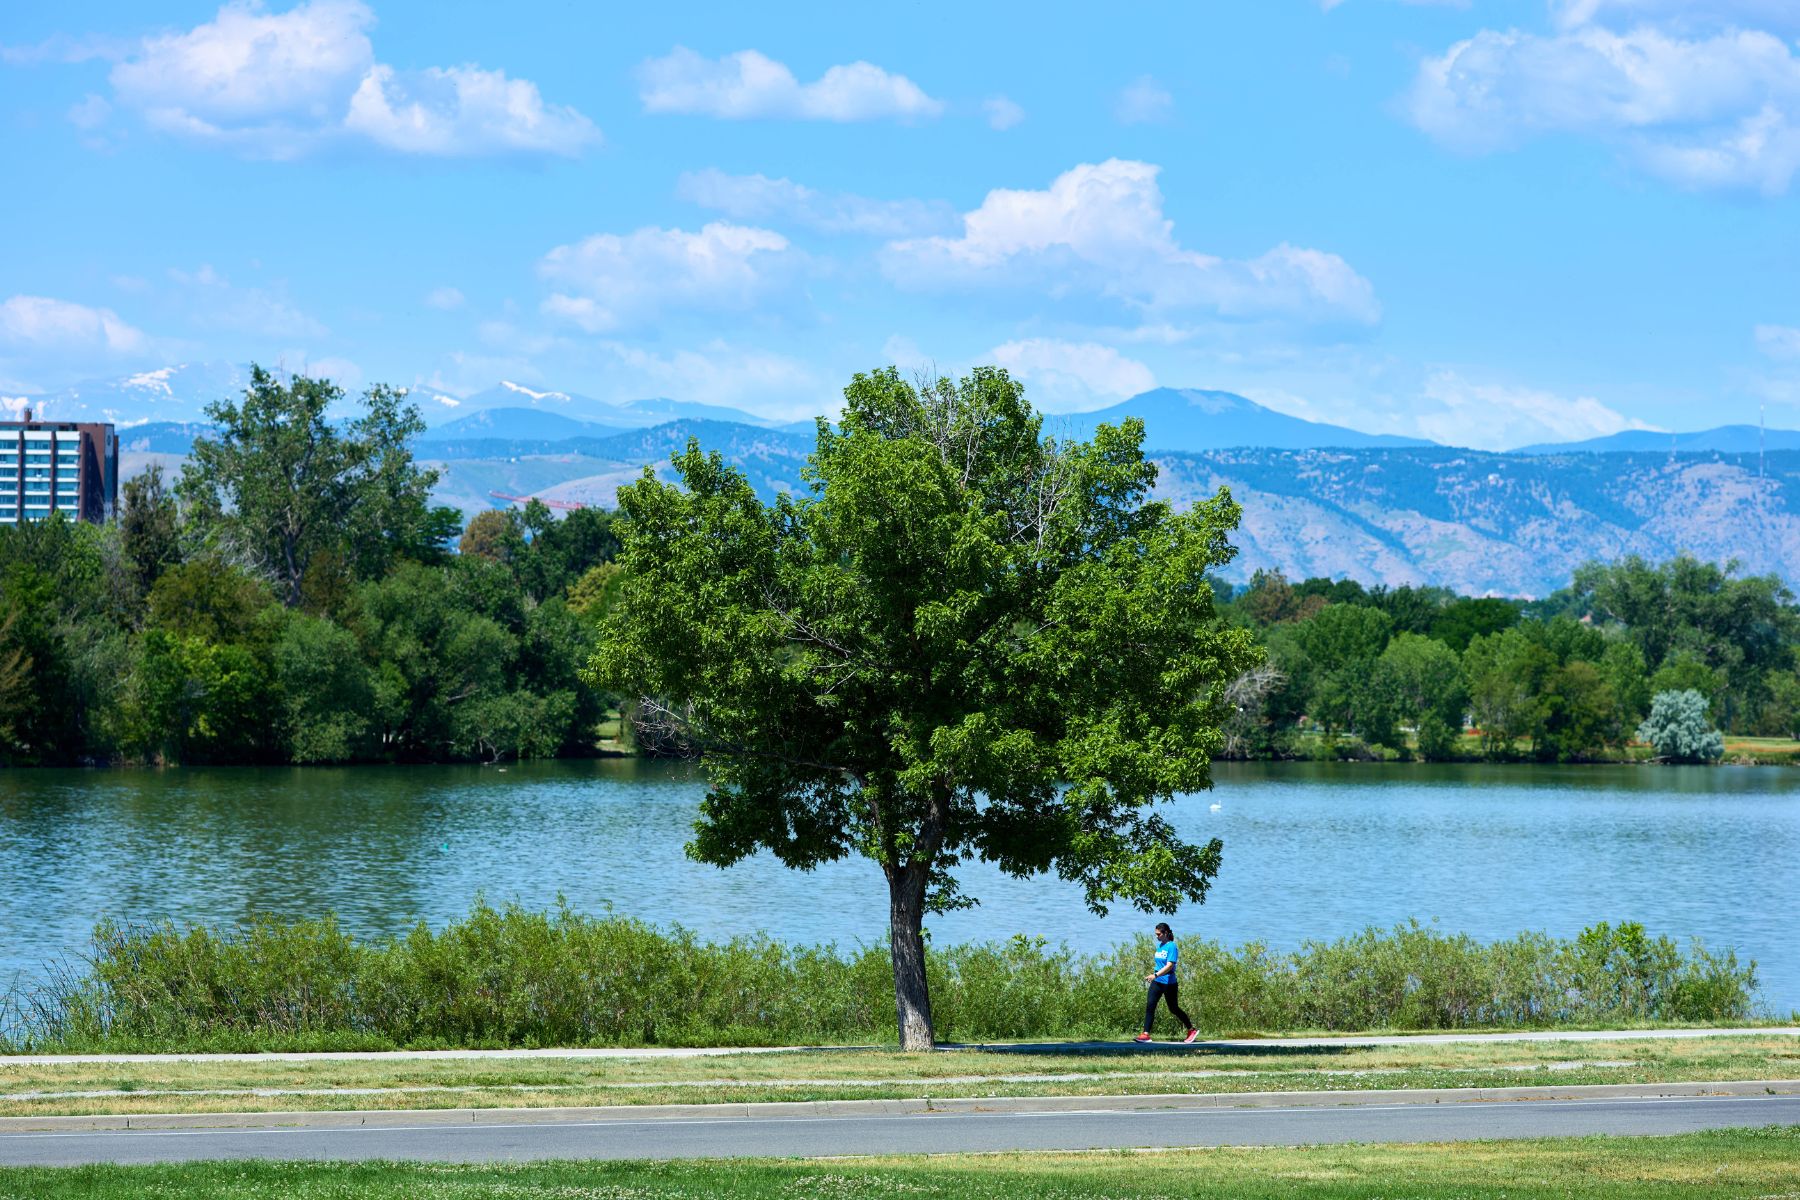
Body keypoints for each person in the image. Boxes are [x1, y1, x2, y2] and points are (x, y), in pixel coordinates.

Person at [1134, 921, 1198, 1043]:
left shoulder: (1172, 946)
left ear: (1166, 933)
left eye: (1158, 934)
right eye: (1156, 934)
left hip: (1169, 983)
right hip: (1157, 981)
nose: (1156, 936)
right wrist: (1155, 976)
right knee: (1150, 1006)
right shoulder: (1160, 946)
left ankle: (1191, 1029)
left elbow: (1169, 965)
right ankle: (1146, 1034)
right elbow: (1160, 963)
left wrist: (1155, 975)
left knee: (1173, 1008)